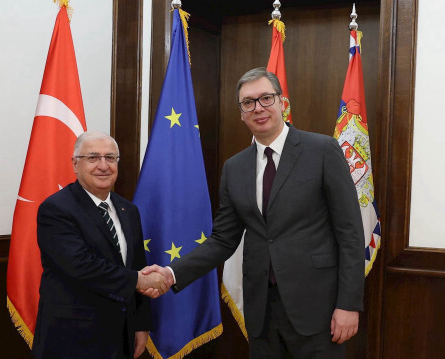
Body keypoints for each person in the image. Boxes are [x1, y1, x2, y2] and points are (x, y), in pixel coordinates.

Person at [144, 67, 365, 358]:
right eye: (248, 102)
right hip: (262, 310)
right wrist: (172, 273)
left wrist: (348, 305)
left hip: (317, 309)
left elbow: (350, 233)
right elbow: (223, 239)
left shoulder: (322, 150)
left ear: (282, 104)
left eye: (265, 98)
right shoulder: (234, 168)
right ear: (241, 112)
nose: (258, 108)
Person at [32, 131, 169, 359]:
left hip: (120, 335)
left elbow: (137, 264)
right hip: (72, 338)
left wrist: (141, 324)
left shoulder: (128, 210)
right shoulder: (56, 209)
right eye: (93, 158)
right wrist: (140, 280)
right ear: (75, 164)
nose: (103, 166)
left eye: (110, 158)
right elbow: (81, 266)